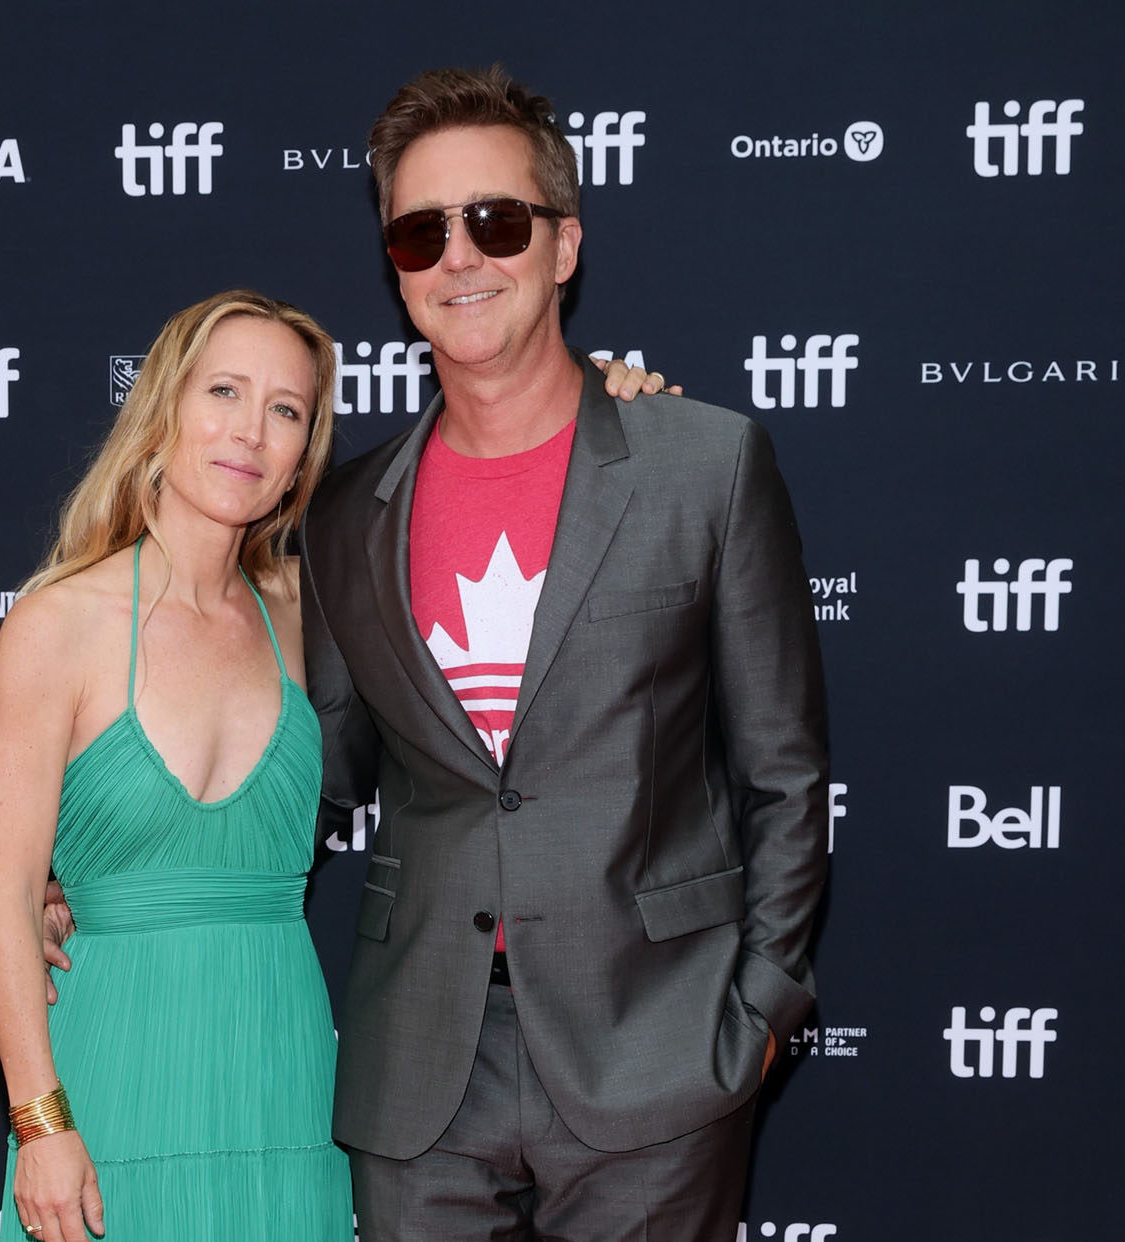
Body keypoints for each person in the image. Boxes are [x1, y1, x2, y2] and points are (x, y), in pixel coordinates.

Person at [297, 67, 830, 1240]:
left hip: (659, 1051)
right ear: (395, 265)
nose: (460, 258)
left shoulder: (703, 463)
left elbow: (785, 773)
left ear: (564, 245)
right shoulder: (343, 514)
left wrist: (759, 1012)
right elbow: (314, 774)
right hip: (420, 1072)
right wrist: (93, 871)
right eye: (421, 232)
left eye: (495, 221)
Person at [0, 291, 354, 1242]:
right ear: (164, 408)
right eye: (224, 391)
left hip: (284, 1084)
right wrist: (41, 1124)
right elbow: (7, 900)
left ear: (303, 455)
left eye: (285, 409)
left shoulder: (312, 613)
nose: (250, 431)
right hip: (110, 1083)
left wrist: (607, 401)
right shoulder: (56, 625)